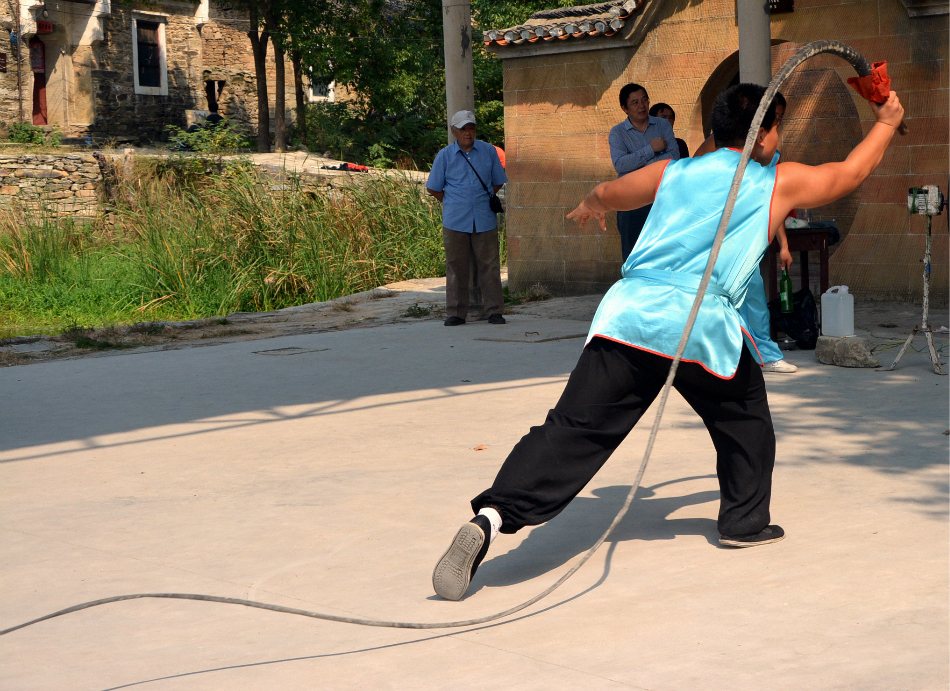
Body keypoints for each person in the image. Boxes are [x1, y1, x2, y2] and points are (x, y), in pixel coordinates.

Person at [431, 84, 904, 601]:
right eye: (777, 126)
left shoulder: (674, 169)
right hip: (698, 328)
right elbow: (851, 172)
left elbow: (611, 193)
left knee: (569, 430)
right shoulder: (777, 182)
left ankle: (491, 517)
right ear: (764, 133)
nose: (778, 137)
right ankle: (743, 522)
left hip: (629, 316)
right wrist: (885, 121)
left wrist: (590, 204)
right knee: (745, 421)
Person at [694, 93, 797, 374]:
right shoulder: (722, 142)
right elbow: (694, 175)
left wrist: (784, 245)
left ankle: (765, 354)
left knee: (753, 297)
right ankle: (723, 354)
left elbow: (771, 202)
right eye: (772, 116)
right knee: (714, 298)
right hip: (714, 231)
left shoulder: (771, 154)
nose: (776, 122)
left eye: (779, 118)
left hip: (744, 235)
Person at [426, 110, 508, 326]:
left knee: (489, 266)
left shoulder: (488, 151)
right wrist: (452, 201)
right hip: (455, 220)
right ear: (454, 132)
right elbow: (433, 188)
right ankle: (455, 313)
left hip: (484, 217)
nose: (467, 133)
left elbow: (498, 180)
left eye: (471, 128)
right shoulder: (444, 155)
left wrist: (483, 197)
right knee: (456, 267)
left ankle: (494, 311)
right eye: (463, 129)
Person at [608, 83, 679, 262]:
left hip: (663, 197)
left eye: (644, 100)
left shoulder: (662, 125)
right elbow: (621, 165)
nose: (641, 106)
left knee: (665, 254)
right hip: (632, 202)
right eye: (635, 102)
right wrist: (651, 149)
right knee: (634, 255)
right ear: (625, 108)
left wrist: (637, 162)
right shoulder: (618, 133)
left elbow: (674, 158)